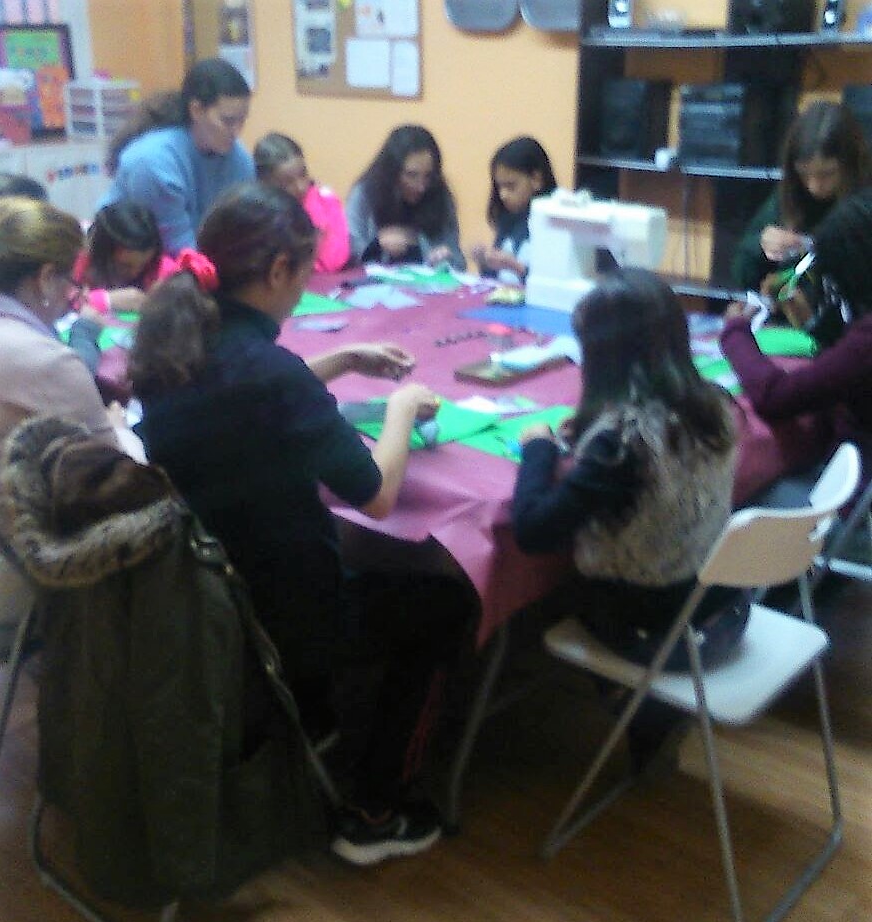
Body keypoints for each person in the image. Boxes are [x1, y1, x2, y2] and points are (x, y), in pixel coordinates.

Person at [128, 182, 473, 867]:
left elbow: (245, 391)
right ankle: (376, 809)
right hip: (283, 615)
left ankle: (311, 717)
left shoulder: (177, 346)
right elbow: (377, 496)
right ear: (280, 270)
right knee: (448, 603)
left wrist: (339, 362)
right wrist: (402, 408)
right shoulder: (270, 373)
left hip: (209, 597)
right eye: (306, 272)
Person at [511, 269, 740, 768]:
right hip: (721, 606)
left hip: (653, 629)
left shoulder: (624, 442)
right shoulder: (717, 406)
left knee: (543, 590)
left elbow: (532, 531)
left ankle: (638, 709)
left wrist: (539, 450)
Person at [0, 196, 133, 658]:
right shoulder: (44, 360)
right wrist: (119, 426)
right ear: (43, 279)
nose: (71, 297)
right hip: (24, 567)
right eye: (70, 282)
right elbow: (122, 479)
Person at [722, 187, 872, 501]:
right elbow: (848, 370)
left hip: (854, 490)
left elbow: (774, 396)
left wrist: (736, 332)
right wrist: (813, 325)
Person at [101, 58, 254, 254]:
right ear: (196, 110)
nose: (236, 131)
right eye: (228, 121)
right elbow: (178, 250)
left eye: (242, 121)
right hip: (126, 258)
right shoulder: (154, 162)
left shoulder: (239, 159)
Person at [731, 100, 872, 294]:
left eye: (827, 174)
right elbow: (741, 271)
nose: (814, 186)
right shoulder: (791, 194)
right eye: (804, 174)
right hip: (792, 307)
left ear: (850, 165)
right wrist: (761, 245)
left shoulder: (863, 203)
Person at [68, 201, 182, 373]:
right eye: (124, 265)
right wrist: (107, 299)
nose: (135, 272)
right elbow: (59, 300)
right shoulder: (83, 262)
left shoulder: (165, 270)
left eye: (143, 264)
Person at [345, 125, 466, 269]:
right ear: (391, 172)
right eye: (411, 175)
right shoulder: (364, 194)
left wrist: (446, 260)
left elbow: (458, 261)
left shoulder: (440, 196)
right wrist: (377, 245)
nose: (421, 186)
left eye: (428, 176)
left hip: (425, 281)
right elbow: (350, 253)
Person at [254, 132, 350, 273]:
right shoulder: (258, 215)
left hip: (329, 278)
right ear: (265, 184)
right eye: (287, 182)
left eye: (303, 174)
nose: (300, 187)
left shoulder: (326, 201)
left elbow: (337, 257)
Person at [471, 136, 557, 285]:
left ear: (536, 179)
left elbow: (553, 284)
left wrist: (516, 267)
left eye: (511, 186)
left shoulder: (555, 220)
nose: (503, 195)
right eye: (499, 187)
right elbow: (497, 278)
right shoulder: (507, 218)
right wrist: (485, 263)